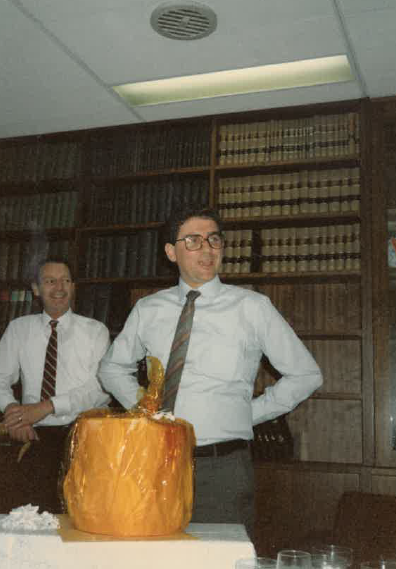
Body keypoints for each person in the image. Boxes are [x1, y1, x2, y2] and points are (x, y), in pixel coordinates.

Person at [98, 206, 323, 538]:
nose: (207, 248)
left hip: (221, 469)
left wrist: (248, 414)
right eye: (193, 240)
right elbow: (111, 368)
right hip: (152, 459)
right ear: (171, 252)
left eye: (214, 239)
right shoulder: (149, 308)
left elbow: (306, 374)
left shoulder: (252, 307)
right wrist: (144, 405)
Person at [0, 257, 111, 511]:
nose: (59, 288)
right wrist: (12, 414)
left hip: (85, 438)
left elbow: (99, 389)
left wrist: (47, 406)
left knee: (82, 519)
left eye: (65, 281)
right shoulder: (19, 329)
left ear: (73, 287)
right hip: (34, 438)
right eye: (50, 281)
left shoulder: (96, 331)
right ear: (36, 289)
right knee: (32, 523)